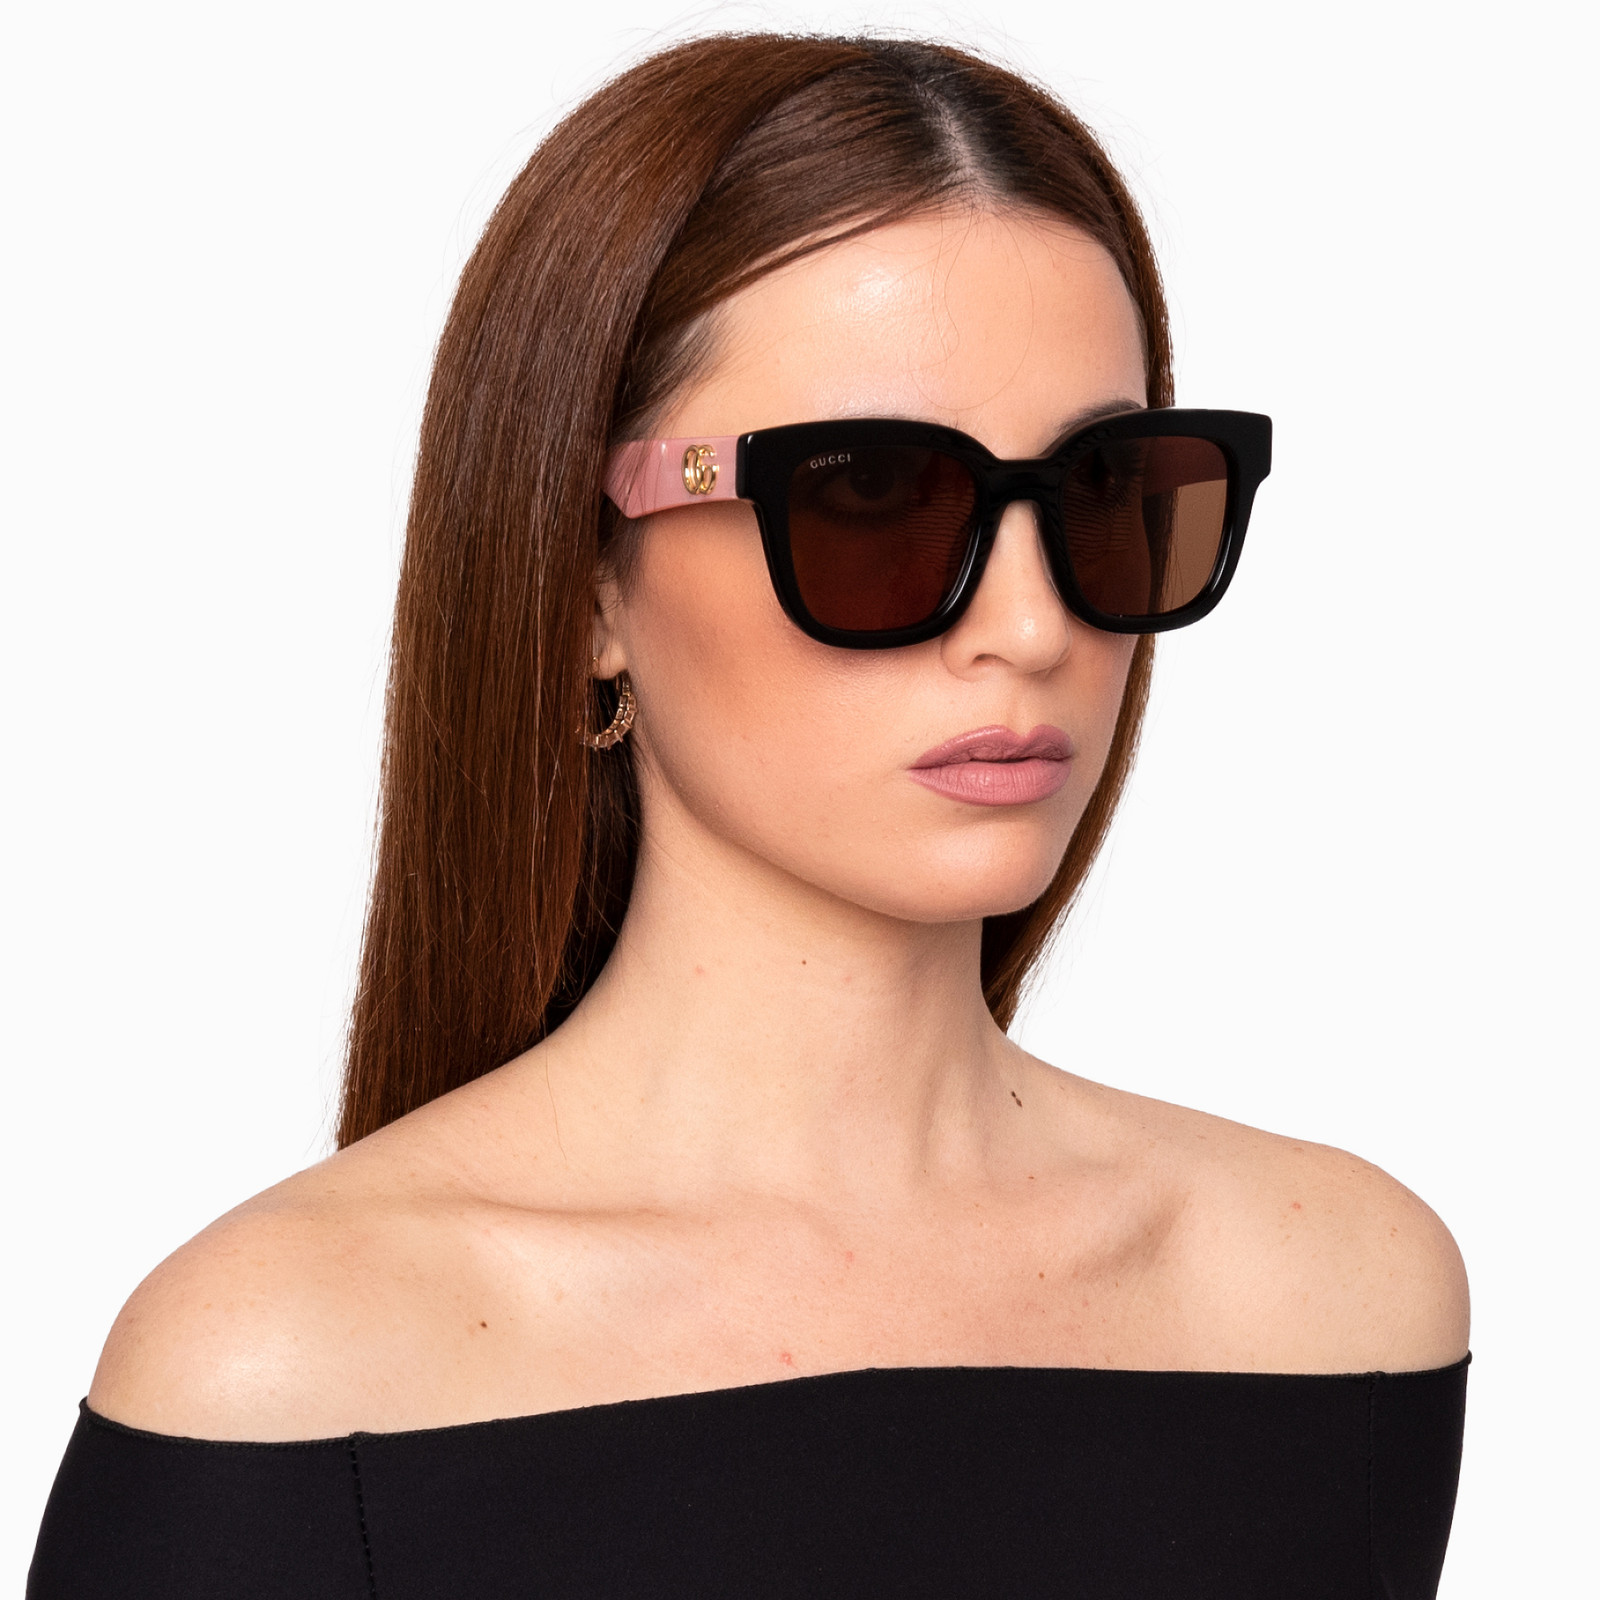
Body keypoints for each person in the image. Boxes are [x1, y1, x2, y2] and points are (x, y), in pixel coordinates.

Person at [28, 33, 1469, 1598]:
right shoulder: (283, 1371)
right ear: (591, 583)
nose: (1033, 625)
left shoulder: (1334, 1304)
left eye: (1104, 493)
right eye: (869, 493)